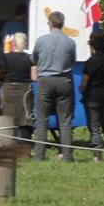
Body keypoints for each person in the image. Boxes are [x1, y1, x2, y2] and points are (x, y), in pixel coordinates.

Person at [31, 10, 78, 162]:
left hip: (45, 80)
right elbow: (72, 60)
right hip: (64, 80)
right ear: (63, 24)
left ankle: (39, 155)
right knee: (65, 121)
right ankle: (67, 156)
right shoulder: (70, 42)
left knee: (42, 119)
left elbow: (35, 59)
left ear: (50, 23)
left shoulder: (41, 41)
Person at [81, 26, 104, 161]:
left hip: (92, 97)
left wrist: (81, 90)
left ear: (92, 44)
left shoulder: (91, 62)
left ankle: (97, 155)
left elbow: (84, 83)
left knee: (95, 128)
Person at [0, 32, 34, 142]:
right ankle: (25, 142)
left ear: (13, 43)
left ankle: (8, 141)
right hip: (24, 90)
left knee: (8, 116)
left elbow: (0, 75)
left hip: (8, 89)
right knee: (25, 117)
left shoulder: (5, 57)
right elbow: (34, 76)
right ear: (25, 43)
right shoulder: (30, 58)